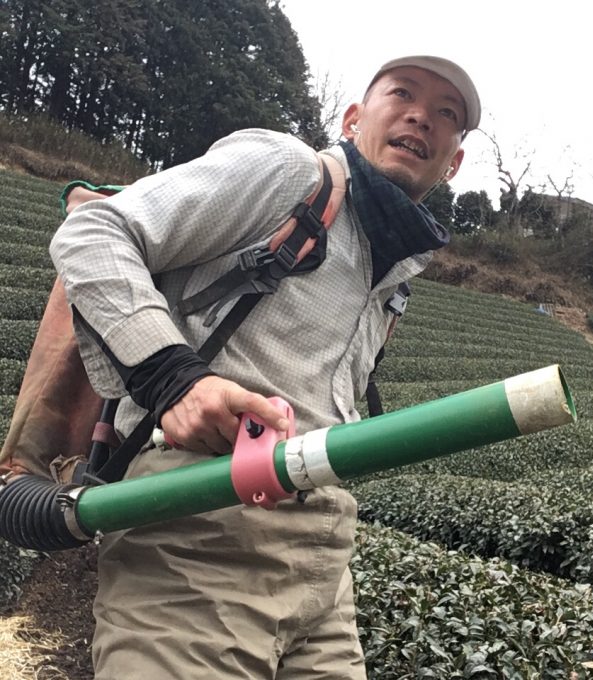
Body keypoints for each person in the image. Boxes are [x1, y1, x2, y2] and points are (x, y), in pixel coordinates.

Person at [49, 54, 481, 680]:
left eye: (446, 114)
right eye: (403, 94)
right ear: (353, 118)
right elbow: (93, 231)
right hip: (198, 539)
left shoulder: (393, 270)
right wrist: (174, 378)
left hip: (324, 572)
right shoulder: (288, 171)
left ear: (453, 163)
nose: (421, 117)